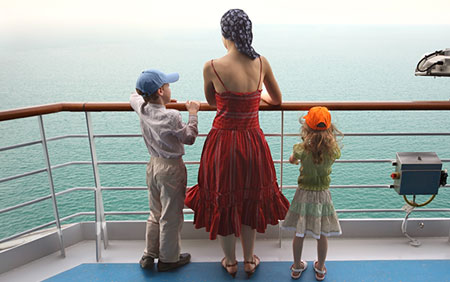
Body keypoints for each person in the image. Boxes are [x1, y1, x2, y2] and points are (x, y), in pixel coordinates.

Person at [184, 9, 290, 278]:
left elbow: (211, 102)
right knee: (250, 199)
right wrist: (256, 98)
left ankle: (230, 261)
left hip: (223, 144)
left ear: (225, 35)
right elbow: (276, 99)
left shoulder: (211, 66)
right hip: (252, 141)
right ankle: (249, 260)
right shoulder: (262, 63)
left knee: (224, 200)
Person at [130, 69, 200, 272]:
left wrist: (152, 98)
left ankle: (149, 254)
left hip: (153, 165)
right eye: (168, 86)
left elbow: (133, 95)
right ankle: (169, 259)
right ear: (161, 90)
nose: (170, 88)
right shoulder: (172, 115)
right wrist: (193, 114)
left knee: (155, 212)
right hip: (171, 169)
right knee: (171, 215)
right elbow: (189, 137)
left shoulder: (141, 107)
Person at [282, 106, 342, 281]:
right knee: (322, 233)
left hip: (303, 193)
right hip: (323, 194)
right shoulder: (332, 150)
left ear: (306, 127)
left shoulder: (301, 148)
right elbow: (334, 157)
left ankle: (296, 266)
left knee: (299, 233)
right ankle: (321, 267)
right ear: (330, 128)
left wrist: (297, 160)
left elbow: (292, 159)